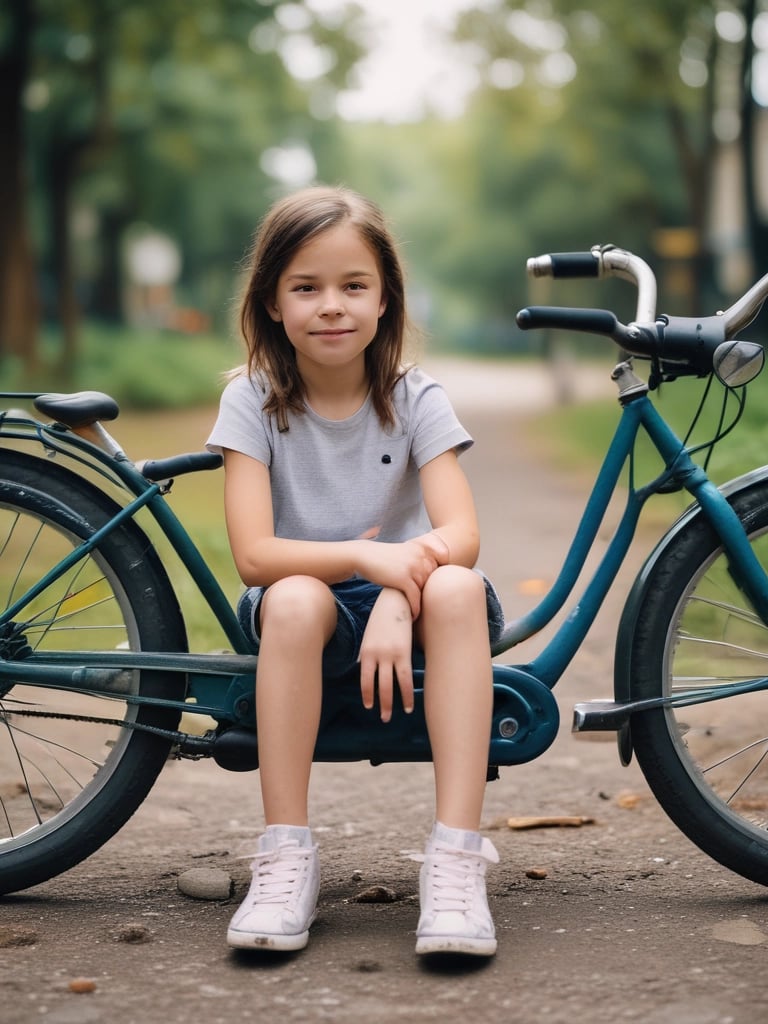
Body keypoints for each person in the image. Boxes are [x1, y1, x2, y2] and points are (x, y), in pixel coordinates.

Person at [206, 184, 504, 958]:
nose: (331, 306)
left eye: (353, 286)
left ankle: (457, 859)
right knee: (300, 600)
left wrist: (398, 596)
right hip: (301, 599)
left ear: (384, 300)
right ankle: (284, 855)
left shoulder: (414, 397)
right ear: (272, 301)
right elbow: (255, 557)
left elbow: (461, 534)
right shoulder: (253, 398)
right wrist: (365, 556)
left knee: (456, 584)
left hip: (417, 597)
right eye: (306, 287)